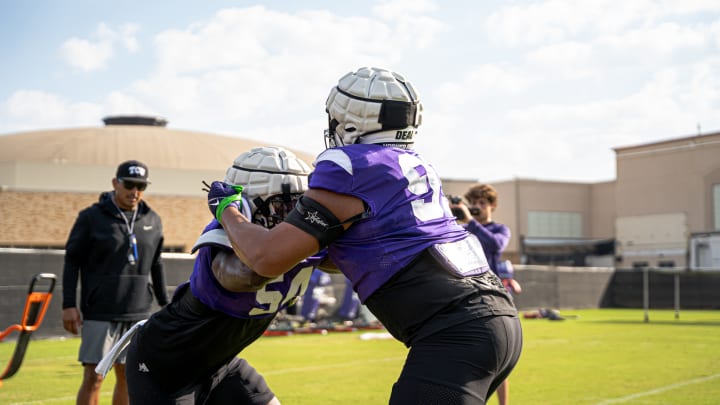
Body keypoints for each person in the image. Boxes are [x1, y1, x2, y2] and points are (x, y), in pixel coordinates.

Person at [206, 67, 523, 404]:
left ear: (353, 124)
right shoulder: (414, 165)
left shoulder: (351, 167)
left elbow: (265, 259)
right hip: (495, 318)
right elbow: (352, 254)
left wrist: (226, 208)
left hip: (455, 332)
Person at [124, 146, 327, 404]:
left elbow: (344, 261)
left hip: (221, 365)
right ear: (249, 204)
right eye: (280, 204)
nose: (292, 214)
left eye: (298, 203)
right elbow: (250, 275)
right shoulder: (225, 232)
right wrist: (229, 212)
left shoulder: (298, 238)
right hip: (166, 366)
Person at [62, 160, 169, 405]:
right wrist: (68, 304)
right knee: (94, 376)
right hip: (100, 310)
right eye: (129, 184)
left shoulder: (153, 219)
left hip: (138, 311)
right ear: (115, 183)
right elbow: (72, 261)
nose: (135, 192)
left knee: (129, 376)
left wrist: (165, 303)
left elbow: (157, 264)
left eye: (140, 186)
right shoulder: (91, 217)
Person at [450, 184, 522, 405]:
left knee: (498, 358)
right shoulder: (461, 229)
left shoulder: (500, 230)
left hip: (493, 296)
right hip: (465, 295)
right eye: (475, 203)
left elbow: (494, 245)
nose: (478, 207)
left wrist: (470, 221)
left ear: (492, 206)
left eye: (483, 203)